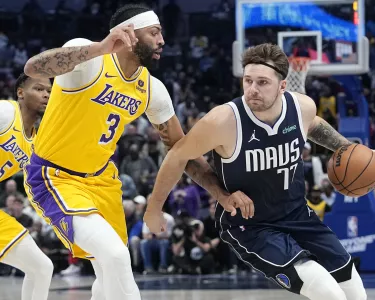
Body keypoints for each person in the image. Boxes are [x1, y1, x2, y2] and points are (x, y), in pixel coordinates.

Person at [23, 3, 253, 300]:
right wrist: (101, 47)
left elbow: (181, 150)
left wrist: (220, 193)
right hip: (55, 176)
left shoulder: (152, 89)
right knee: (116, 256)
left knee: (109, 274)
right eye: (154, 32)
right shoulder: (88, 57)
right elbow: (33, 68)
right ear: (128, 33)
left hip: (102, 181)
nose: (162, 41)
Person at [144, 43, 375, 300]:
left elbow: (314, 126)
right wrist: (156, 207)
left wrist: (351, 149)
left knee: (355, 292)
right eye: (248, 81)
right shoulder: (223, 121)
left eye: (262, 82)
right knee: (327, 292)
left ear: (283, 86)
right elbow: (179, 156)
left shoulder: (301, 108)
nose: (252, 90)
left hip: (297, 215)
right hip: (251, 226)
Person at [0, 73, 53, 300]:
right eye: (39, 89)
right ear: (20, 92)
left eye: (49, 91)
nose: (45, 95)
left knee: (42, 268)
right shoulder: (5, 112)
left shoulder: (36, 142)